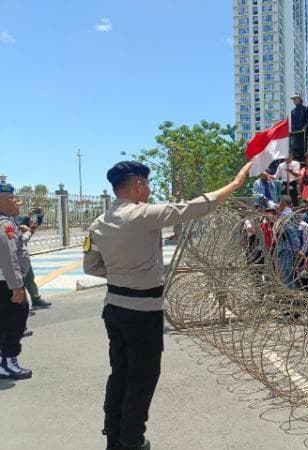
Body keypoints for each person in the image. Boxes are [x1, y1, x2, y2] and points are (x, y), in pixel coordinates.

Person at [83, 160, 252, 450]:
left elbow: (90, 266)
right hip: (142, 311)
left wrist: (122, 273)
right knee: (143, 377)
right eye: (146, 183)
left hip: (113, 307)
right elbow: (196, 206)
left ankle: (114, 435)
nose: (148, 189)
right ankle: (132, 440)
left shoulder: (98, 224)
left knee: (120, 372)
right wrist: (235, 184)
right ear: (138, 185)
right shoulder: (144, 215)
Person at [0, 180, 32, 380]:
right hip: (6, 285)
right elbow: (9, 258)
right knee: (14, 323)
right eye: (11, 198)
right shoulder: (5, 225)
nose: (16, 202)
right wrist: (17, 286)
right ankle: (8, 363)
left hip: (4, 283)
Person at [15, 209, 52, 310]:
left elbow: (33, 224)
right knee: (17, 282)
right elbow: (18, 229)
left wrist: (40, 215)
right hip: (12, 257)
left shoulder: (17, 218)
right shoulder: (6, 220)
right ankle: (20, 305)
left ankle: (36, 300)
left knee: (29, 278)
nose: (16, 206)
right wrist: (27, 217)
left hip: (22, 256)